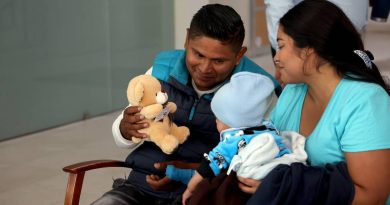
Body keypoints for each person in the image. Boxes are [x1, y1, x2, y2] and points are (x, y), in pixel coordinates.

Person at [92, 4, 280, 205]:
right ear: (187, 39)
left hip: (202, 195)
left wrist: (190, 170)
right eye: (198, 55)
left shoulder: (258, 90)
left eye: (218, 61)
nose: (205, 68)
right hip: (139, 188)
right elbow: (122, 137)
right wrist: (125, 129)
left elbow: (262, 161)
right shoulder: (161, 70)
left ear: (239, 55)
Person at [237, 1, 390, 204]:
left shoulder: (365, 102)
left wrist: (283, 187)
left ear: (309, 50)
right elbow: (271, 145)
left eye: (281, 46)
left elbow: (372, 196)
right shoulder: (293, 91)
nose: (277, 57)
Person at [178, 72, 307, 205]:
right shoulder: (268, 128)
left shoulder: (235, 139)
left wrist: (190, 188)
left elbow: (209, 165)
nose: (215, 121)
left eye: (218, 118)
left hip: (247, 187)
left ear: (232, 121)